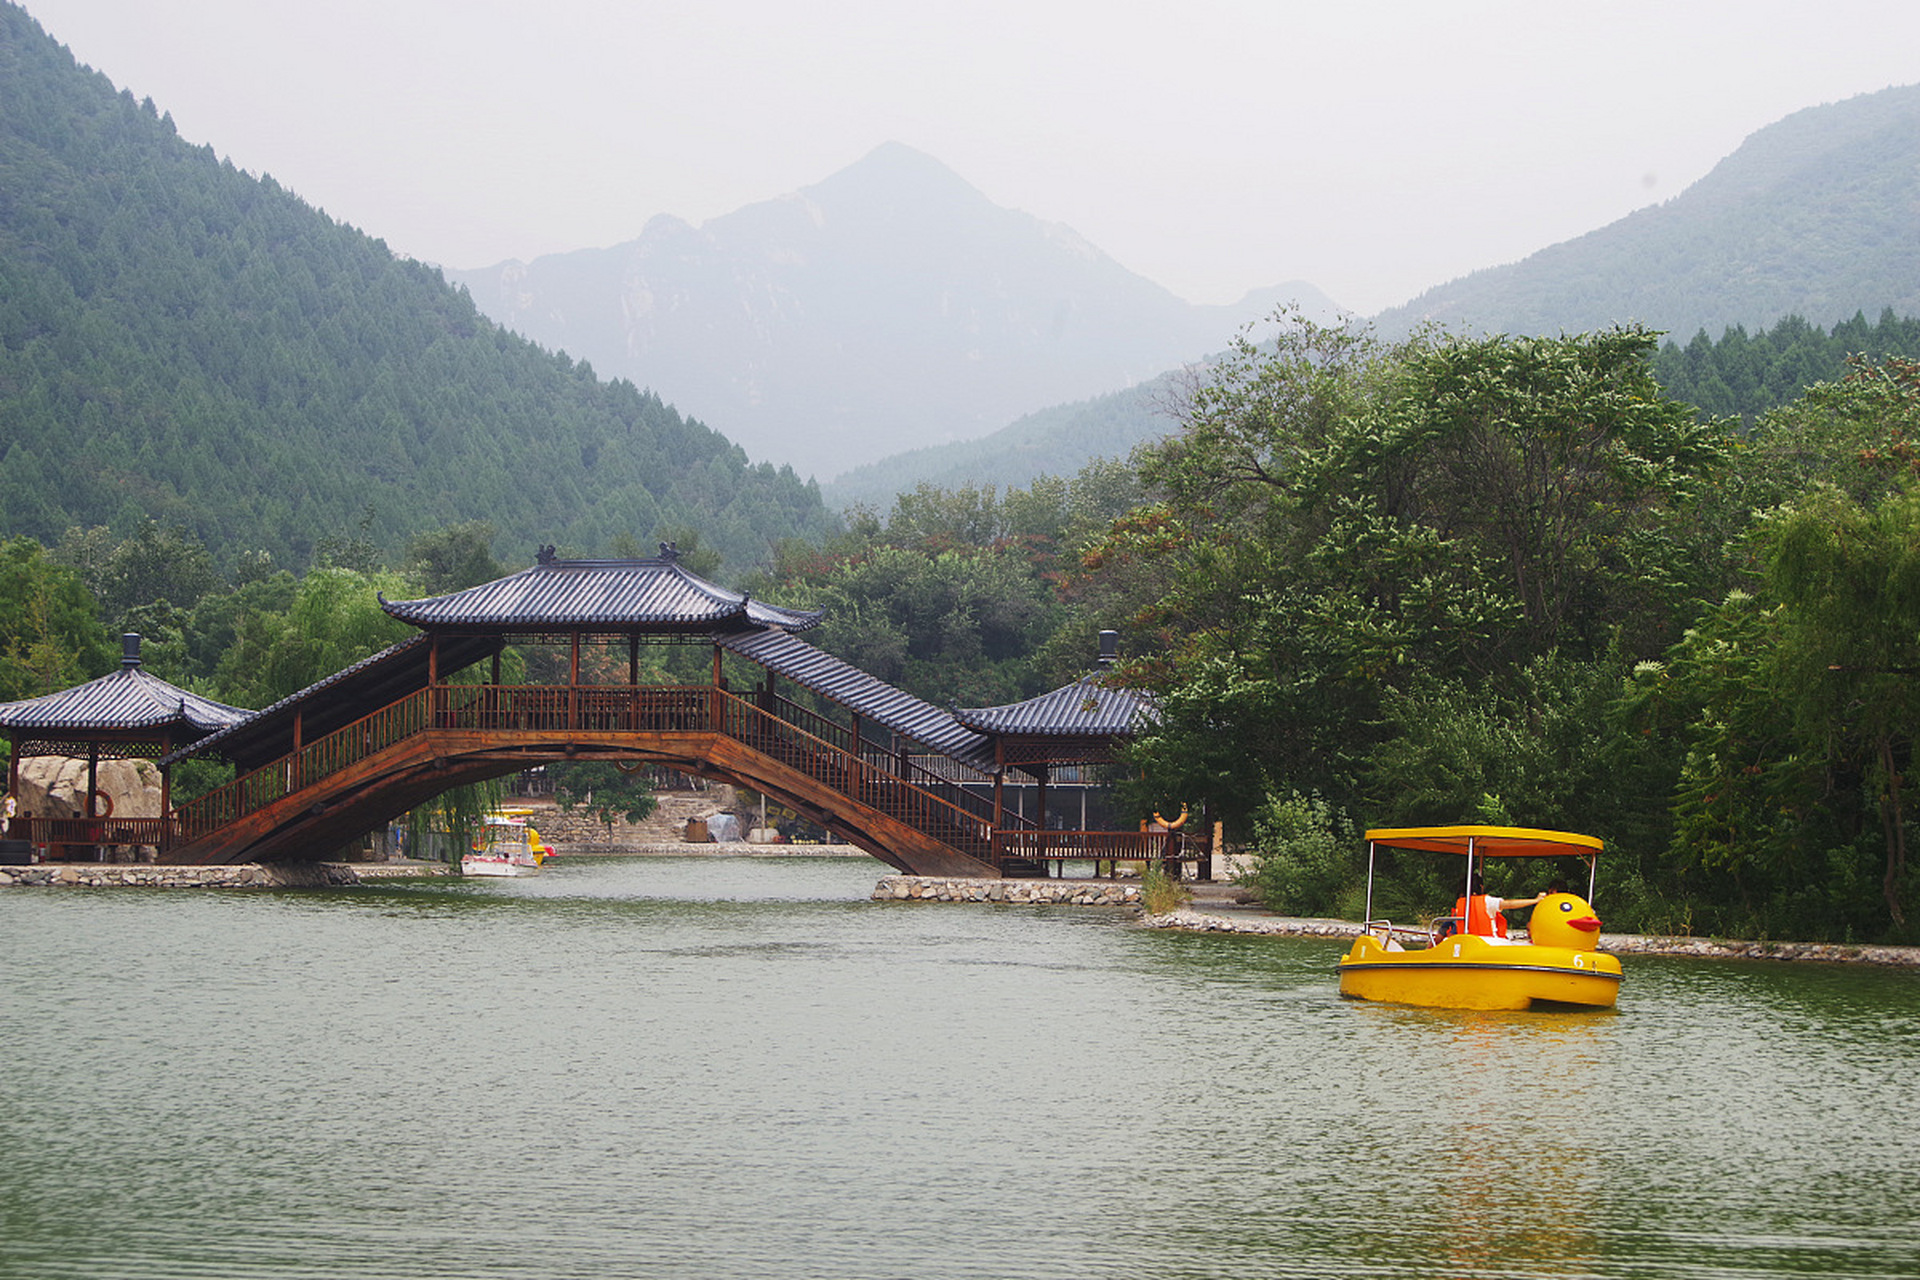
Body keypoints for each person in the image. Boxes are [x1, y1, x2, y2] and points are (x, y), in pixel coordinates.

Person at [1449, 873, 1548, 938]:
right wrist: (1535, 900)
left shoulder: (1460, 903)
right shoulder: (1487, 901)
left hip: (1468, 944)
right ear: (1481, 887)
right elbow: (1510, 904)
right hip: (1488, 944)